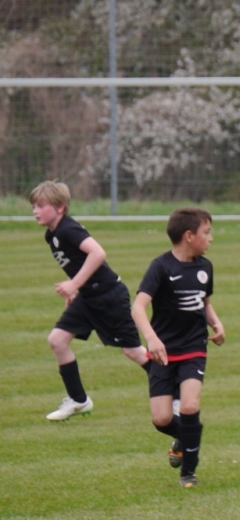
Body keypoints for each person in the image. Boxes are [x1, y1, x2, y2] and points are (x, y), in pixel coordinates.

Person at [30, 180, 151, 421]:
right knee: (58, 340)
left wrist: (74, 284)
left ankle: (172, 386)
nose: (35, 211)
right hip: (88, 297)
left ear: (60, 208)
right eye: (34, 206)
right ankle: (79, 401)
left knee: (133, 352)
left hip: (108, 296)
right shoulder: (51, 235)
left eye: (41, 206)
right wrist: (75, 290)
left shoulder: (68, 229)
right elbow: (75, 262)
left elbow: (97, 253)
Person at [132, 208, 225, 488]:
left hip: (194, 347)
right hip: (163, 352)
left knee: (189, 406)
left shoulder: (205, 267)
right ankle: (186, 436)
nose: (211, 238)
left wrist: (216, 323)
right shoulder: (160, 267)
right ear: (189, 236)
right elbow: (138, 307)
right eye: (206, 232)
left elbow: (203, 302)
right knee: (161, 419)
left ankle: (188, 473)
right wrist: (152, 338)